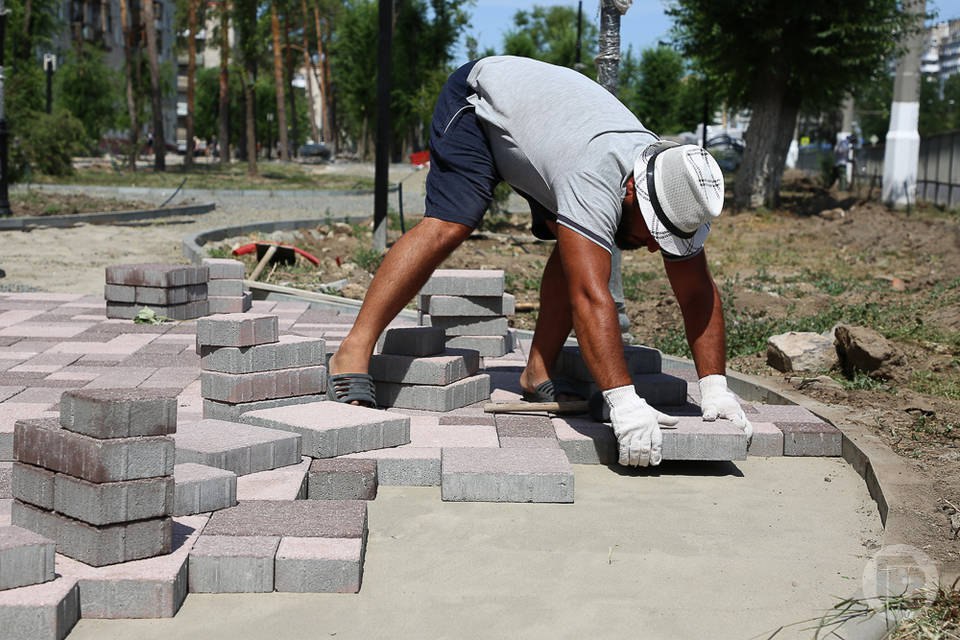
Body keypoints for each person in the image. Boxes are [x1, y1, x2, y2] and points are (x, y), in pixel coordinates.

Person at [328, 56, 752, 468]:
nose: (655, 247)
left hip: (549, 130)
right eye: (652, 231)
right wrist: (624, 402)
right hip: (480, 101)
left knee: (578, 241)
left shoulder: (674, 182)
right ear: (630, 193)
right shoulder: (595, 175)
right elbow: (590, 295)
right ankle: (353, 351)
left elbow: (698, 294)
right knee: (451, 222)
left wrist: (715, 388)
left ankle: (537, 371)